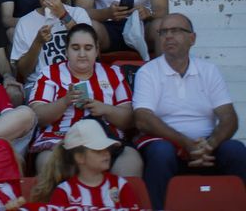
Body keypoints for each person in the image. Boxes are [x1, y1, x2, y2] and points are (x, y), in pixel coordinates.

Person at [134, 12, 246, 205]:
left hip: (206, 147)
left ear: (192, 38)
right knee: (161, 152)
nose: (168, 36)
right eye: (163, 32)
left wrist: (210, 145)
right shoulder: (148, 72)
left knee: (235, 150)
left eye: (176, 30)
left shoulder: (208, 70)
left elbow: (229, 118)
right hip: (166, 143)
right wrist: (185, 143)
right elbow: (142, 119)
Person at [26, 22, 139, 177]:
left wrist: (105, 109)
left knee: (131, 161)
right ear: (66, 51)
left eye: (88, 48)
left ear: (97, 50)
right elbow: (37, 117)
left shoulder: (113, 73)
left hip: (107, 140)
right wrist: (64, 102)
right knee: (47, 161)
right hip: (60, 140)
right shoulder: (50, 73)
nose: (82, 54)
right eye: (75, 48)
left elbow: (129, 119)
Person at [28, 118, 137, 208]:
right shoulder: (65, 191)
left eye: (107, 148)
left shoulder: (120, 185)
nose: (106, 153)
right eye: (98, 150)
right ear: (80, 157)